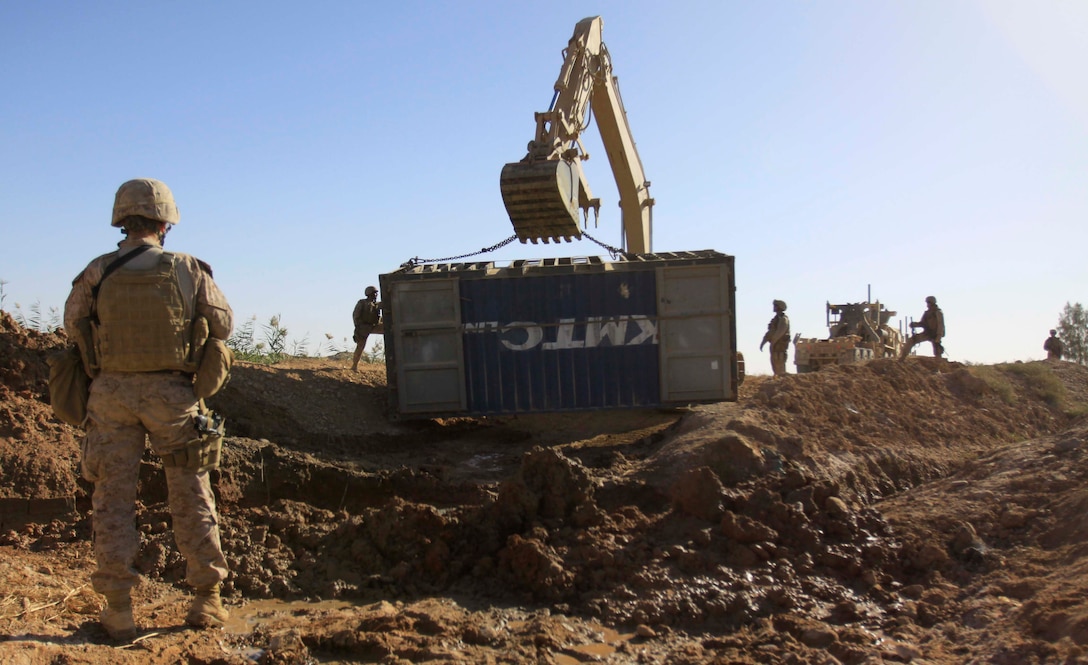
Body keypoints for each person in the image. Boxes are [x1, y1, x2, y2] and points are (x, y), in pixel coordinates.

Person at [63, 178, 233, 640]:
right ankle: (206, 601)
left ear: (122, 220)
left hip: (111, 396)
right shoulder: (188, 269)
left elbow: (71, 322)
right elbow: (223, 323)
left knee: (112, 500)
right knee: (192, 494)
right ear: (165, 222)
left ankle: (118, 609)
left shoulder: (98, 270)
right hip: (173, 398)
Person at [900, 295, 945, 359]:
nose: (927, 304)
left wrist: (938, 337)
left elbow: (941, 325)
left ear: (932, 303)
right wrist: (914, 324)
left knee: (937, 351)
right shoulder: (927, 313)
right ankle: (902, 358)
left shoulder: (938, 312)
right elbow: (922, 323)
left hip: (935, 335)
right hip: (927, 333)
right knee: (911, 340)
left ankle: (938, 366)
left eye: (928, 303)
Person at [351, 285, 382, 371]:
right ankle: (354, 365)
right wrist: (358, 327)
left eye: (376, 293)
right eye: (374, 293)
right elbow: (355, 315)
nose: (376, 295)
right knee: (360, 346)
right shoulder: (362, 303)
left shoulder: (376, 304)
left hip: (374, 326)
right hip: (363, 327)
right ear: (369, 294)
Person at [760, 299, 791, 377]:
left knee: (779, 364)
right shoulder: (776, 319)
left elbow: (780, 332)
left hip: (779, 346)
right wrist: (764, 341)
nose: (774, 307)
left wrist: (773, 341)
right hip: (775, 346)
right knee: (774, 364)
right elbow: (771, 331)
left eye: (775, 306)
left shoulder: (783, 319)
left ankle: (782, 381)